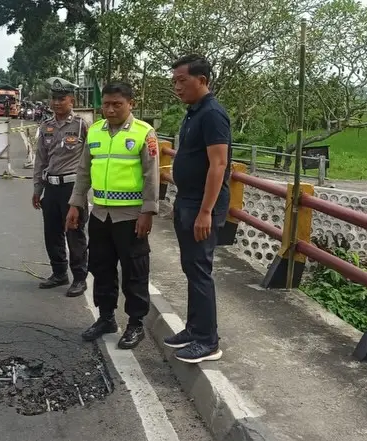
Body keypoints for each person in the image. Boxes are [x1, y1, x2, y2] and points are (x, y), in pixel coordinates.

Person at [66, 81, 160, 350]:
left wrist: (148, 211)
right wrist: (76, 203)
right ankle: (106, 318)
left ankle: (135, 323)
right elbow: (84, 171)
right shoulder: (95, 131)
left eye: (117, 104)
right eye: (106, 104)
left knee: (135, 271)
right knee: (101, 267)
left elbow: (151, 176)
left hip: (131, 217)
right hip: (100, 215)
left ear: (131, 104)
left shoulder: (144, 133)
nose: (110, 109)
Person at [161, 54, 232, 364]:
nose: (177, 87)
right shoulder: (193, 112)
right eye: (174, 81)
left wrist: (206, 211)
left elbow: (219, 164)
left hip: (201, 205)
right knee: (191, 267)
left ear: (202, 80)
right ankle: (194, 328)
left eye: (182, 81)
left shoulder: (213, 114)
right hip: (187, 200)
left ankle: (208, 340)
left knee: (200, 269)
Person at [32, 79, 89, 297]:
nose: (56, 103)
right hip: (51, 187)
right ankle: (59, 273)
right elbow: (40, 160)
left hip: (72, 188)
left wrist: (83, 192)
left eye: (61, 99)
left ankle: (80, 278)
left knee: (74, 233)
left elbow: (90, 157)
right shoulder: (46, 126)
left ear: (71, 100)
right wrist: (37, 189)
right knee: (52, 233)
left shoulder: (82, 125)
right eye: (54, 98)